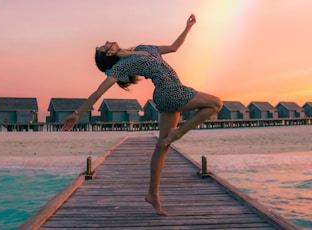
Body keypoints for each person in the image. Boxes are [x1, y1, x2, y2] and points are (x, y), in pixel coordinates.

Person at [62, 14, 222, 216]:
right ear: (109, 54)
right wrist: (77, 114)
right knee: (216, 103)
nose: (107, 42)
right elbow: (98, 92)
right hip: (170, 92)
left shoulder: (145, 47)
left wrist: (188, 27)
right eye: (104, 46)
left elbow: (173, 47)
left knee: (162, 146)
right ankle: (177, 134)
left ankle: (152, 194)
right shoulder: (122, 66)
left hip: (168, 95)